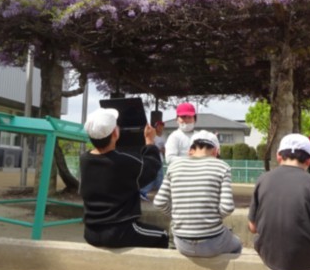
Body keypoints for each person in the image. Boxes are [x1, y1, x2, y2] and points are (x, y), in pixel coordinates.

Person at [248, 133, 310, 270]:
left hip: (269, 259)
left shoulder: (262, 180)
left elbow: (253, 228)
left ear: (279, 157)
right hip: (308, 264)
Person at [79, 107, 169, 249]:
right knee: (162, 235)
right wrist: (149, 141)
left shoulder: (84, 159)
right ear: (115, 133)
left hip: (91, 232)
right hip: (119, 231)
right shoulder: (124, 161)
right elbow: (152, 167)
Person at [153, 130, 242, 257]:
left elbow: (159, 202)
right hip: (212, 243)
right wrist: (211, 217)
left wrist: (177, 216)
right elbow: (227, 207)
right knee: (237, 243)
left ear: (190, 151)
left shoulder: (174, 166)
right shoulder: (222, 167)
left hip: (182, 244)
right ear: (216, 152)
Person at [140, 120, 166, 200]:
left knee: (157, 178)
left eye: (162, 126)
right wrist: (158, 149)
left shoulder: (163, 137)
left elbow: (164, 149)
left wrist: (163, 150)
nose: (161, 127)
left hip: (160, 159)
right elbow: (150, 146)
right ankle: (144, 191)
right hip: (153, 159)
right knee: (157, 177)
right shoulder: (153, 136)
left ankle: (143, 192)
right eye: (159, 126)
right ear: (156, 127)